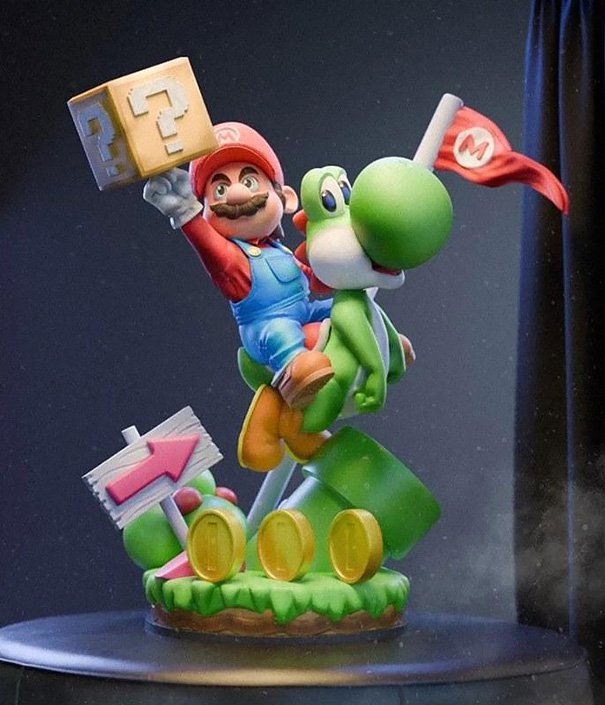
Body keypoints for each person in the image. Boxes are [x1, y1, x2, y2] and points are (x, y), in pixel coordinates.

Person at [143, 122, 333, 409]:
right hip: (267, 329)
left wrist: (340, 272)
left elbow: (313, 277)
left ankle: (387, 345)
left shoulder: (280, 250)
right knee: (281, 335)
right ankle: (296, 378)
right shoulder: (234, 261)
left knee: (343, 307)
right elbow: (209, 247)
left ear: (286, 198)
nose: (235, 196)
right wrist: (183, 210)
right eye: (220, 189)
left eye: (249, 182)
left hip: (305, 311)